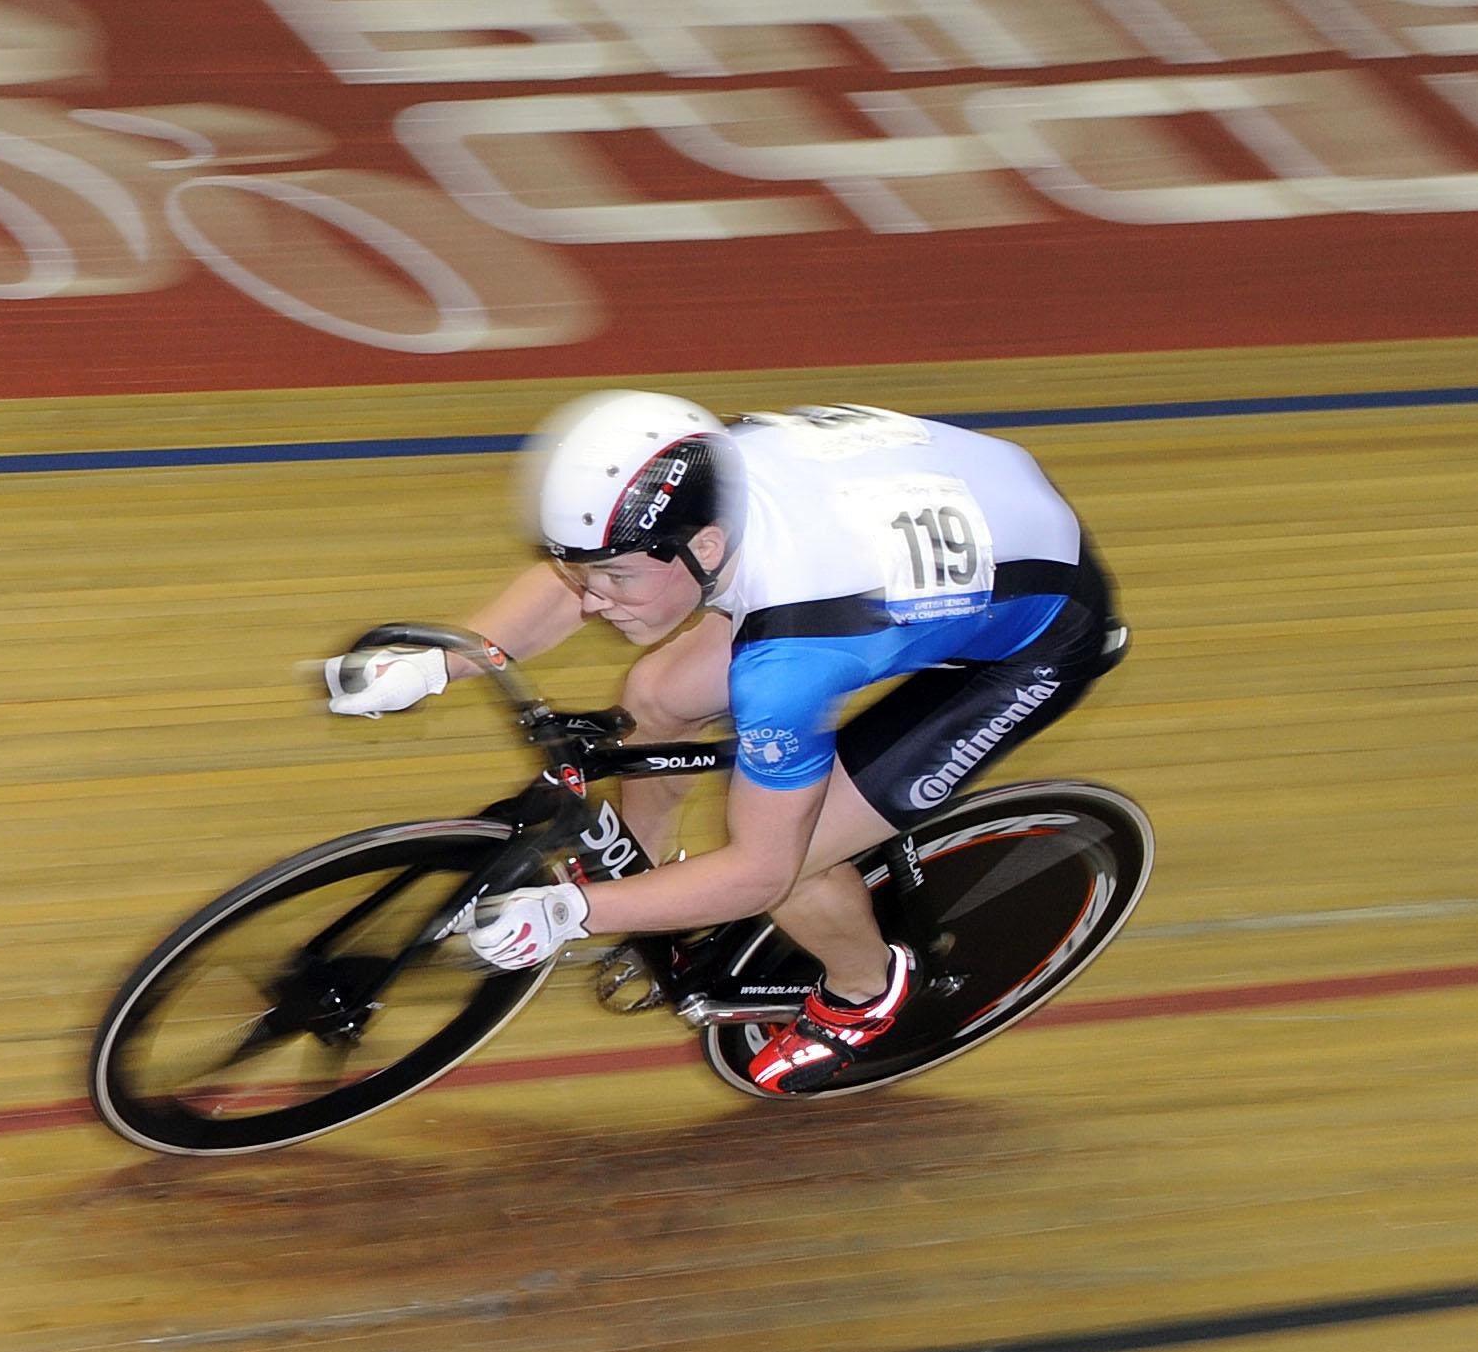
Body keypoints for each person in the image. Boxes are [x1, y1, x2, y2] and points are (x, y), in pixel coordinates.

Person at [323, 391, 1126, 1095]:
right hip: (939, 527)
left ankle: (866, 992)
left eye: (618, 580)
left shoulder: (791, 661)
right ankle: (653, 875)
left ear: (703, 548)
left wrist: (575, 911)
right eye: (586, 573)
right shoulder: (697, 479)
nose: (592, 600)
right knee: (656, 695)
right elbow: (586, 571)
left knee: (795, 865)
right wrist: (439, 665)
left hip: (1036, 636)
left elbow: (758, 872)